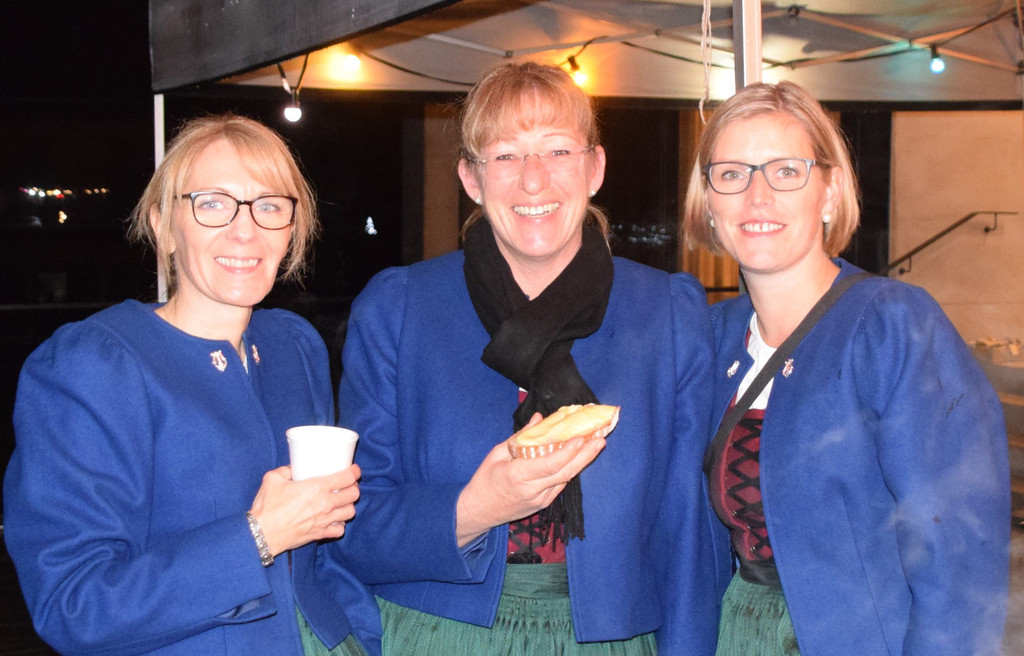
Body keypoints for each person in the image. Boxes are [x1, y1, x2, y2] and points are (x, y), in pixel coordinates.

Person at [324, 61, 730, 654]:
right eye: (506, 155)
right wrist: (474, 508)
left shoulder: (667, 313)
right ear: (471, 177)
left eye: (558, 151)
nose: (533, 181)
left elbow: (689, 529)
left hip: (616, 639)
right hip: (441, 635)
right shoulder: (399, 309)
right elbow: (351, 524)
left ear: (595, 167)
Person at [3, 114, 381, 656]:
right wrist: (258, 537)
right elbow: (73, 604)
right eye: (212, 203)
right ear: (163, 225)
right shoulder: (93, 365)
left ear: (292, 230)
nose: (245, 230)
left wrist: (359, 635)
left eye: (269, 206)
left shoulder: (294, 347)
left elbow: (322, 556)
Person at [682, 80, 1010, 655]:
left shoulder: (891, 326)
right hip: (737, 636)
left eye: (786, 171)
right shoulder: (711, 339)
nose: (757, 196)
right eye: (731, 174)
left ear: (830, 192)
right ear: (709, 202)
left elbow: (959, 558)